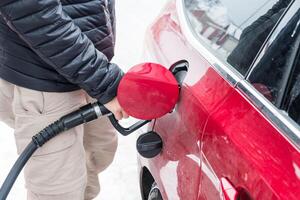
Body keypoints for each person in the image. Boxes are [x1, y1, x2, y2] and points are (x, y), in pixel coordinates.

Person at [0, 0, 128, 199]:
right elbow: (31, 10)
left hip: (89, 66)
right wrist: (103, 80)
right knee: (59, 191)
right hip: (43, 78)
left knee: (95, 158)